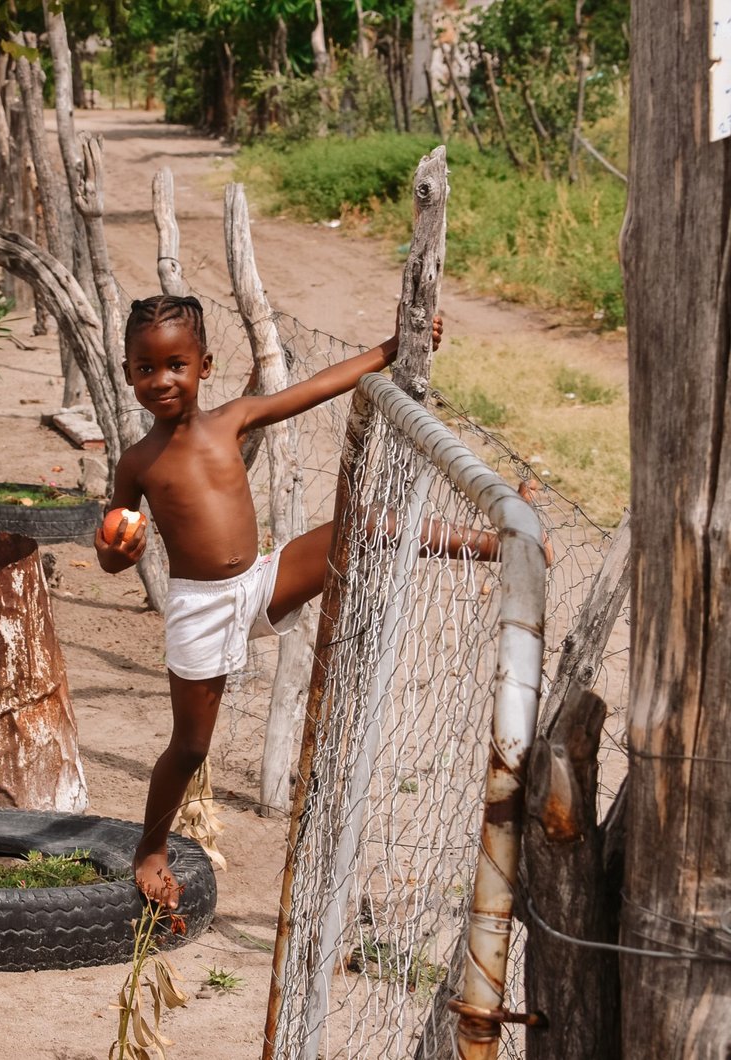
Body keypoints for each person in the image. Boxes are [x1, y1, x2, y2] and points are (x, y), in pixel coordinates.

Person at [95, 294, 508, 909]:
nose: (161, 381)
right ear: (129, 375)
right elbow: (111, 542)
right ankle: (150, 849)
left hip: (261, 581)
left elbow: (315, 390)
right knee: (191, 746)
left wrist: (393, 348)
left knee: (362, 522)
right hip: (199, 610)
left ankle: (493, 542)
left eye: (175, 365)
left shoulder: (232, 419)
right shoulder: (138, 462)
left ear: (204, 366)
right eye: (145, 368)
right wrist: (116, 551)